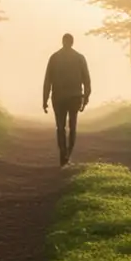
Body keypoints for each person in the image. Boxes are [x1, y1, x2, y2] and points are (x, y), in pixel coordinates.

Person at [42, 33, 91, 166]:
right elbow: (87, 80)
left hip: (58, 97)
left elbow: (47, 80)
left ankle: (63, 153)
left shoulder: (54, 58)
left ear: (63, 42)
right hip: (75, 97)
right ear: (72, 42)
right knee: (72, 126)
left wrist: (45, 99)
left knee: (60, 127)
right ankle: (68, 153)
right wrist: (85, 98)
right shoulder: (80, 58)